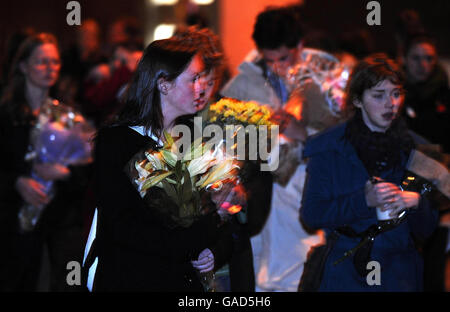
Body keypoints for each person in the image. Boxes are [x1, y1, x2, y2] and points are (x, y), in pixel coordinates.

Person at [85, 36, 236, 291]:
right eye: (193, 79)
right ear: (164, 85)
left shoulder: (196, 137)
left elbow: (222, 225)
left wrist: (213, 251)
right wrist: (209, 222)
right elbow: (126, 230)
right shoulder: (119, 143)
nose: (202, 87)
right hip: (134, 281)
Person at [220, 5, 337, 292]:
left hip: (304, 194)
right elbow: (222, 144)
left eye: (284, 57)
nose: (277, 66)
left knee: (300, 275)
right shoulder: (242, 84)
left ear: (299, 46)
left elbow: (344, 137)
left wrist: (303, 133)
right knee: (253, 277)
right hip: (256, 194)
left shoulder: (325, 77)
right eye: (269, 59)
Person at [300, 53, 438, 291]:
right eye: (379, 95)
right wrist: (363, 201)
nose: (390, 104)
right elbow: (312, 215)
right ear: (357, 100)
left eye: (396, 94)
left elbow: (426, 230)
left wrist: (416, 202)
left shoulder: (417, 149)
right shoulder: (328, 147)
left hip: (399, 274)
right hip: (345, 272)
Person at [0, 32, 92, 291]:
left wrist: (63, 174)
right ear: (23, 66)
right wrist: (18, 182)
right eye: (41, 61)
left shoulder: (67, 114)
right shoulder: (6, 115)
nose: (50, 68)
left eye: (54, 61)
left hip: (57, 227)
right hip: (12, 227)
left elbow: (85, 174)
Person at [400, 34, 450, 153]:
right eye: (416, 58)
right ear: (404, 59)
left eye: (429, 58)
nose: (422, 65)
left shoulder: (444, 96)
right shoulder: (394, 94)